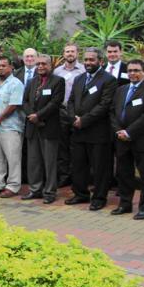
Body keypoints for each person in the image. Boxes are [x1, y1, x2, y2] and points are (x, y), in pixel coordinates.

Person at [65, 47, 117, 211]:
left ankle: (99, 198)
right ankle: (80, 194)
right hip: (78, 131)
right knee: (78, 165)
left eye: (91, 60)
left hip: (98, 132)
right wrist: (74, 118)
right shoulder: (79, 78)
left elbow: (105, 105)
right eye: (86, 60)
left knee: (100, 167)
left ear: (100, 61)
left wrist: (84, 120)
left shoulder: (108, 80)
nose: (88, 63)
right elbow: (71, 101)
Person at [110, 59, 144, 220]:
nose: (132, 73)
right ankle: (125, 204)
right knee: (124, 174)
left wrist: (129, 132)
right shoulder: (121, 90)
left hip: (140, 140)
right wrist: (118, 130)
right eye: (130, 70)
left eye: (136, 70)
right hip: (121, 140)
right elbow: (112, 112)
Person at [22, 54, 65, 204]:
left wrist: (39, 116)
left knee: (50, 162)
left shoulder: (58, 81)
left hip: (49, 127)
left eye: (43, 64)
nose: (40, 66)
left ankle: (49, 192)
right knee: (34, 161)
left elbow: (55, 103)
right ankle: (35, 190)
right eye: (38, 64)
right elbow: (25, 101)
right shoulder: (32, 81)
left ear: (50, 66)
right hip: (32, 127)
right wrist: (31, 116)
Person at [0, 56, 25, 198]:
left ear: (11, 67)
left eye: (4, 65)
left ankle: (13, 186)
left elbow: (14, 105)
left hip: (11, 127)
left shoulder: (16, 84)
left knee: (13, 158)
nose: (0, 68)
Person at [53, 43, 85, 187]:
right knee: (62, 145)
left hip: (78, 112)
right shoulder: (57, 71)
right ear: (63, 54)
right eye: (67, 52)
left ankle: (78, 176)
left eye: (72, 51)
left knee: (77, 146)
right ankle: (64, 175)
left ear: (77, 53)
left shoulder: (84, 70)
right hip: (61, 111)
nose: (70, 54)